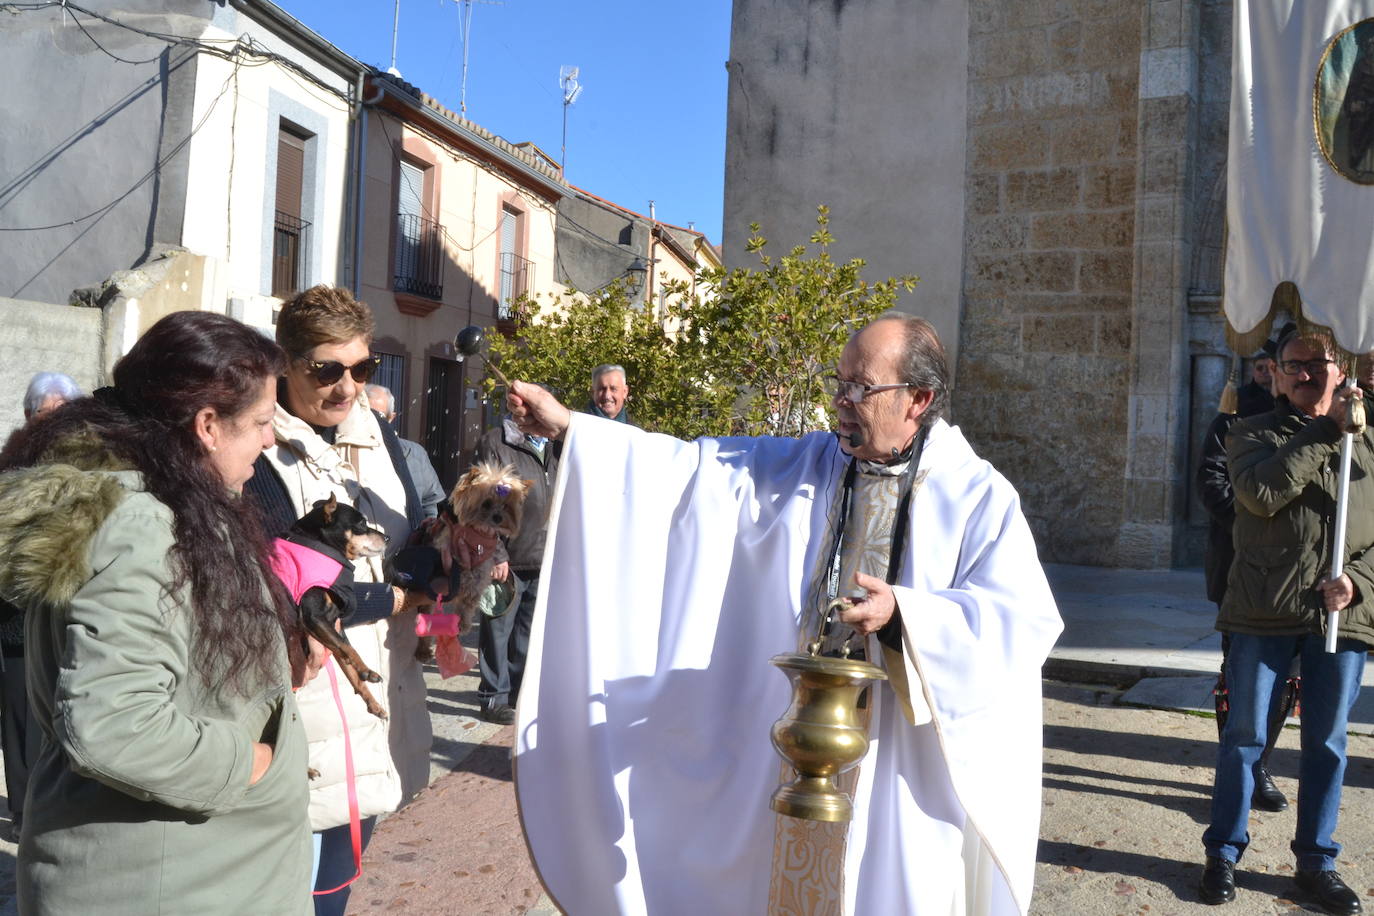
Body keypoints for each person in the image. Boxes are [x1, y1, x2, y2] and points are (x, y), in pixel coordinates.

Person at [507, 314, 1063, 914]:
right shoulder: (810, 466)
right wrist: (572, 428)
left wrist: (907, 614)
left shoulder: (977, 496)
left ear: (918, 399)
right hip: (791, 748)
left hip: (900, 769)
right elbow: (693, 471)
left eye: (861, 387)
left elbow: (1021, 618)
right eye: (839, 380)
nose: (841, 401)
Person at [0, 311, 316, 914]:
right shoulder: (141, 523)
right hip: (170, 886)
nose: (271, 440)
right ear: (207, 426)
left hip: (197, 874)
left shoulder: (175, 505)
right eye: (259, 423)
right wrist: (255, 763)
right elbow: (115, 724)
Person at [242, 285, 448, 916]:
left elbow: (416, 545)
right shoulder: (254, 446)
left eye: (363, 368)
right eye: (326, 370)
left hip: (384, 703)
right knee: (293, 894)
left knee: (341, 876)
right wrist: (399, 596)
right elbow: (297, 589)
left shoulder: (382, 438)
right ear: (285, 362)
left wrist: (440, 599)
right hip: (306, 710)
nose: (347, 387)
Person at [1199, 327, 1373, 914]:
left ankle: (1316, 863)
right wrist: (1328, 430)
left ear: (1340, 366)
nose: (1304, 374)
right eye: (1291, 365)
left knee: (1326, 743)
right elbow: (1262, 492)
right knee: (1245, 737)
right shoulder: (1249, 432)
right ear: (1273, 373)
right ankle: (1223, 851)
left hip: (1339, 617)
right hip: (1260, 608)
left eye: (1315, 363)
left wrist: (1358, 584)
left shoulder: (1370, 443)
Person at [1197, 344, 1296, 814]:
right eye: (1283, 366)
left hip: (1297, 576)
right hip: (1239, 564)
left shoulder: (1315, 427)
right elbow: (1212, 482)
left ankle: (1261, 764)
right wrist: (1253, 528)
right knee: (1239, 673)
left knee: (1288, 681)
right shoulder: (1232, 420)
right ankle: (1239, 766)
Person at [0, 371, 86, 840]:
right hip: (17, 616)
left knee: (63, 712)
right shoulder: (10, 467)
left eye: (62, 416)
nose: (53, 425)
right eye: (43, 416)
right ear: (29, 418)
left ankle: (54, 805)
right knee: (19, 718)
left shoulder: (93, 467)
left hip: (69, 613)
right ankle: (23, 811)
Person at [472, 399, 561, 724]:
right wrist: (495, 551)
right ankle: (492, 697)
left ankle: (516, 696)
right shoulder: (496, 443)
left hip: (541, 554)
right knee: (497, 631)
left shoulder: (552, 446)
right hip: (506, 558)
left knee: (526, 634)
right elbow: (485, 501)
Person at [365, 383, 445, 518]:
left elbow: (432, 502)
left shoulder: (414, 453)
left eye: (380, 417)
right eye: (367, 415)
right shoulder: (343, 452)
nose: (373, 422)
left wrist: (426, 533)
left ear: (391, 418)